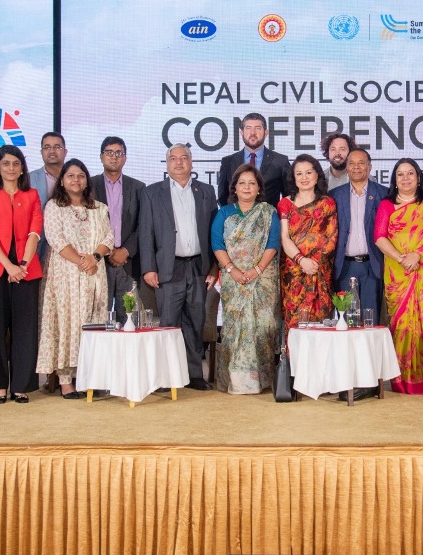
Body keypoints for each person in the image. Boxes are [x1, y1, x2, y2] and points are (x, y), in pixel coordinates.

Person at [139, 144, 218, 390]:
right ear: (167, 164)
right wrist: (148, 267)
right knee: (169, 323)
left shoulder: (205, 191)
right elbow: (145, 232)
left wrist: (214, 267)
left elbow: (214, 233)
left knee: (195, 321)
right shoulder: (153, 193)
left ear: (192, 163)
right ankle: (165, 376)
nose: (179, 162)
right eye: (173, 158)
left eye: (184, 157)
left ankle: (194, 375)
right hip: (168, 267)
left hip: (198, 266)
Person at [374, 158, 423, 394]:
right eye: (400, 174)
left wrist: (418, 256)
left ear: (419, 177)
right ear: (394, 179)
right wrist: (401, 258)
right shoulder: (386, 204)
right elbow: (379, 237)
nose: (406, 178)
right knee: (401, 327)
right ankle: (402, 380)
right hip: (398, 274)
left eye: (410, 173)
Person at [37, 159, 112, 399]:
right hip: (65, 274)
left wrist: (95, 257)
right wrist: (81, 261)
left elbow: (108, 237)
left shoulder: (99, 208)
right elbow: (55, 239)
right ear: (62, 181)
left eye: (80, 176)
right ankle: (65, 380)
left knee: (93, 322)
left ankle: (89, 376)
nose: (76, 180)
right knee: (67, 322)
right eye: (71, 176)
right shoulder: (54, 207)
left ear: (86, 181)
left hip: (94, 272)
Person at [0, 145, 43, 404]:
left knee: (25, 329)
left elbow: (35, 232)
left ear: (22, 167)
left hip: (26, 269)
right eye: (6, 164)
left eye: (16, 163)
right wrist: (9, 266)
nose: (11, 168)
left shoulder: (33, 195)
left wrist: (22, 264)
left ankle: (21, 385)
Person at [210, 164, 281, 394]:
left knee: (263, 325)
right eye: (242, 183)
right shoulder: (224, 213)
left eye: (252, 183)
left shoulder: (268, 212)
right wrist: (233, 270)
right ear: (235, 187)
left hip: (262, 280)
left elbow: (273, 243)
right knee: (236, 329)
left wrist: (257, 270)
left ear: (259, 187)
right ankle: (237, 382)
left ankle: (264, 381)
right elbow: (217, 244)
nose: (247, 187)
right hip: (234, 281)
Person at [90, 136, 146, 324]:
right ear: (101, 156)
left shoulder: (138, 187)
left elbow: (143, 225)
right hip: (97, 262)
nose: (113, 157)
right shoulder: (88, 186)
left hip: (127, 263)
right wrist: (104, 250)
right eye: (109, 152)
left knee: (129, 319)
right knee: (98, 318)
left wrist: (125, 250)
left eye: (118, 153)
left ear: (125, 158)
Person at [278, 154, 337, 329]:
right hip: (293, 271)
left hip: (319, 270)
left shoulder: (328, 203)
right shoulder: (285, 204)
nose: (304, 178)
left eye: (308, 172)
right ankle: (293, 357)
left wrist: (314, 263)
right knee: (295, 323)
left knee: (321, 323)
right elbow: (284, 237)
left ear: (317, 175)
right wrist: (302, 260)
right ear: (293, 178)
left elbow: (331, 237)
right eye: (299, 174)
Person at [330, 147, 385, 318]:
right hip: (345, 266)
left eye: (361, 163)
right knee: (346, 319)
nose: (356, 167)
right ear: (346, 167)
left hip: (373, 265)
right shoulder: (334, 196)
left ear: (369, 166)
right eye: (351, 163)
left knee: (372, 318)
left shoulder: (384, 194)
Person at [217, 112, 291, 206]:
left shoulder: (280, 162)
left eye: (258, 128)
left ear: (266, 132)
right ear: (242, 132)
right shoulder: (228, 162)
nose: (253, 133)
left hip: (269, 219)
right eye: (248, 128)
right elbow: (223, 197)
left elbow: (289, 198)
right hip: (236, 219)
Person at [29, 131, 67, 260]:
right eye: (47, 147)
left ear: (65, 152)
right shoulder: (28, 180)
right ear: (41, 152)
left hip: (69, 246)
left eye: (57, 147)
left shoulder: (76, 178)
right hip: (37, 245)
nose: (52, 151)